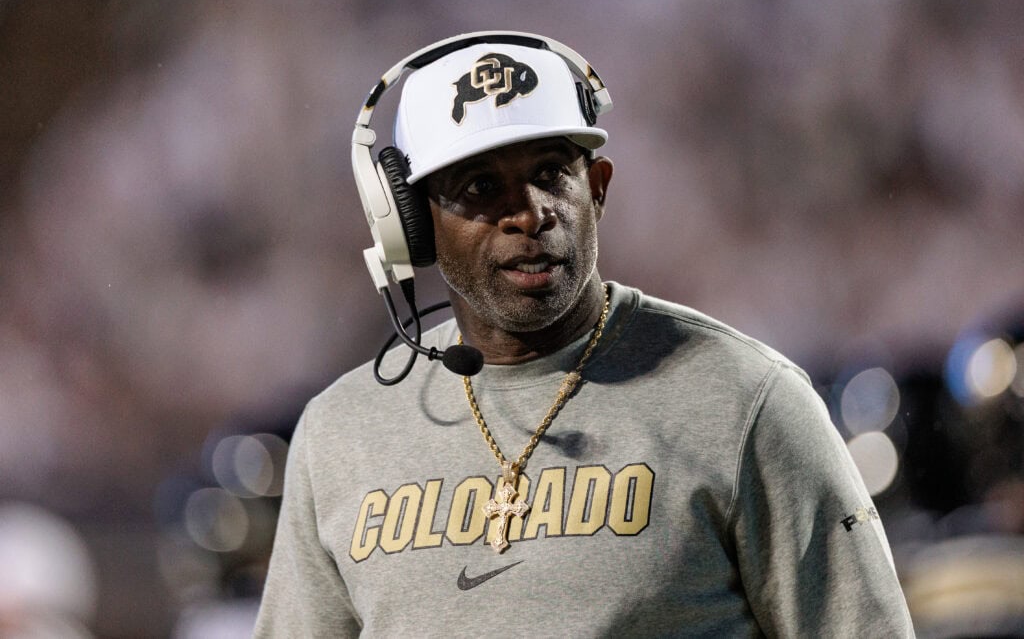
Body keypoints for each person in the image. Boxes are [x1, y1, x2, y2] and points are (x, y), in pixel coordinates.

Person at [254, 32, 914, 637]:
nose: (531, 212)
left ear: (596, 189)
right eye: (483, 185)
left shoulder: (749, 403)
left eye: (550, 173)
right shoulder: (339, 434)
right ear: (411, 226)